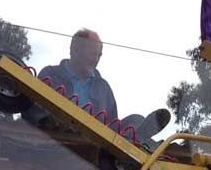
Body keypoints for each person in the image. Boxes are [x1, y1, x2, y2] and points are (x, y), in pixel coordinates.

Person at [30, 28, 171, 139]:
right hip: (53, 142)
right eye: (93, 53)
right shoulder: (50, 75)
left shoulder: (103, 88)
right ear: (75, 49)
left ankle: (142, 142)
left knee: (136, 120)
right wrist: (52, 123)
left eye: (99, 55)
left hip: (92, 147)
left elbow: (112, 125)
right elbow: (31, 110)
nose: (96, 59)